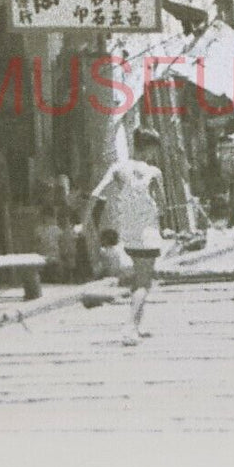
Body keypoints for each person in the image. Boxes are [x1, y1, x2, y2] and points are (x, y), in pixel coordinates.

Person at [90, 128, 167, 345]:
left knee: (138, 280)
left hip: (128, 233)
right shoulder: (154, 172)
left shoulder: (117, 168)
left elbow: (96, 194)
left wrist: (88, 224)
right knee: (144, 282)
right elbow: (162, 207)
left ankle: (138, 325)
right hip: (148, 234)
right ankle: (130, 327)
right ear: (150, 148)